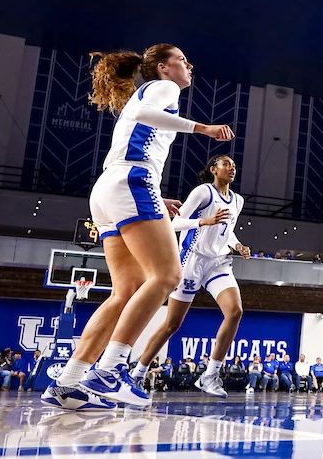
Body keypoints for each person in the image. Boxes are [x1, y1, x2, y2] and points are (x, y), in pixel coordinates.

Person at [42, 44, 234, 411]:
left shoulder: (149, 90)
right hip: (132, 179)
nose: (188, 64)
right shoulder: (165, 88)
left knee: (126, 290)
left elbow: (132, 137)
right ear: (163, 67)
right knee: (166, 276)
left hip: (110, 187)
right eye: (181, 59)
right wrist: (203, 128)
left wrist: (157, 198)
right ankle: (110, 369)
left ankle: (68, 382)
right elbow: (146, 116)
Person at [131, 154, 250, 398]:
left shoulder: (237, 200)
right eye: (226, 164)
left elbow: (227, 232)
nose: (232, 168)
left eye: (234, 165)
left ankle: (210, 375)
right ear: (213, 169)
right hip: (191, 260)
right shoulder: (203, 192)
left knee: (235, 311)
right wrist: (204, 222)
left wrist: (238, 246)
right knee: (172, 324)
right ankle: (138, 374)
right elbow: (173, 223)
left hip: (218, 262)